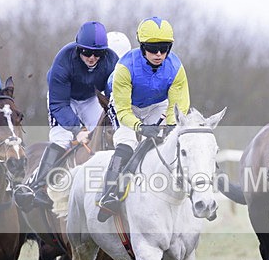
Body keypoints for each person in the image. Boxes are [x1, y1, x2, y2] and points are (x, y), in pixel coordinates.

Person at [96, 16, 190, 222]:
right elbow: (122, 111)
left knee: (166, 141)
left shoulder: (176, 68)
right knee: (127, 142)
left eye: (164, 48)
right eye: (152, 48)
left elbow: (179, 106)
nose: (158, 54)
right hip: (126, 106)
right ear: (141, 47)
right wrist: (140, 127)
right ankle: (109, 193)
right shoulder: (125, 67)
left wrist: (170, 126)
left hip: (157, 105)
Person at [25, 21, 120, 210]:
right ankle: (38, 185)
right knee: (62, 139)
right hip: (64, 99)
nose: (92, 58)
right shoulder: (63, 59)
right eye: (86, 52)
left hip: (90, 98)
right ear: (78, 49)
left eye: (98, 53)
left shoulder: (112, 60)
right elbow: (58, 104)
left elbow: (113, 97)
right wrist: (78, 129)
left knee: (107, 134)